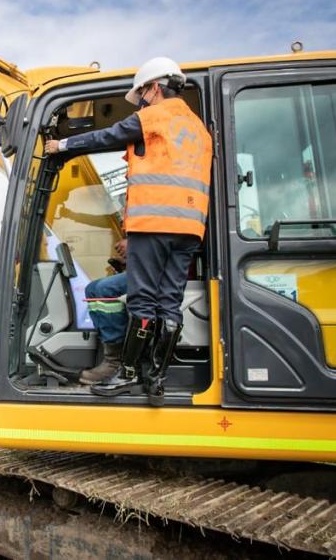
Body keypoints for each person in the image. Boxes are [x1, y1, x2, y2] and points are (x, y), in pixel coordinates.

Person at [45, 57, 212, 405]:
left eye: (144, 94)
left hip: (154, 223)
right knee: (170, 302)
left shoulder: (155, 116)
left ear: (154, 87)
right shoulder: (198, 129)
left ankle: (129, 374)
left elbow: (109, 135)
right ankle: (156, 379)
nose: (143, 101)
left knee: (143, 299)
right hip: (189, 227)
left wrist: (61, 146)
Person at [79, 240, 128, 384]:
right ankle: (107, 351)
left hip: (157, 274)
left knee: (105, 289)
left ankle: (115, 363)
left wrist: (135, 246)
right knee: (92, 289)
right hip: (143, 267)